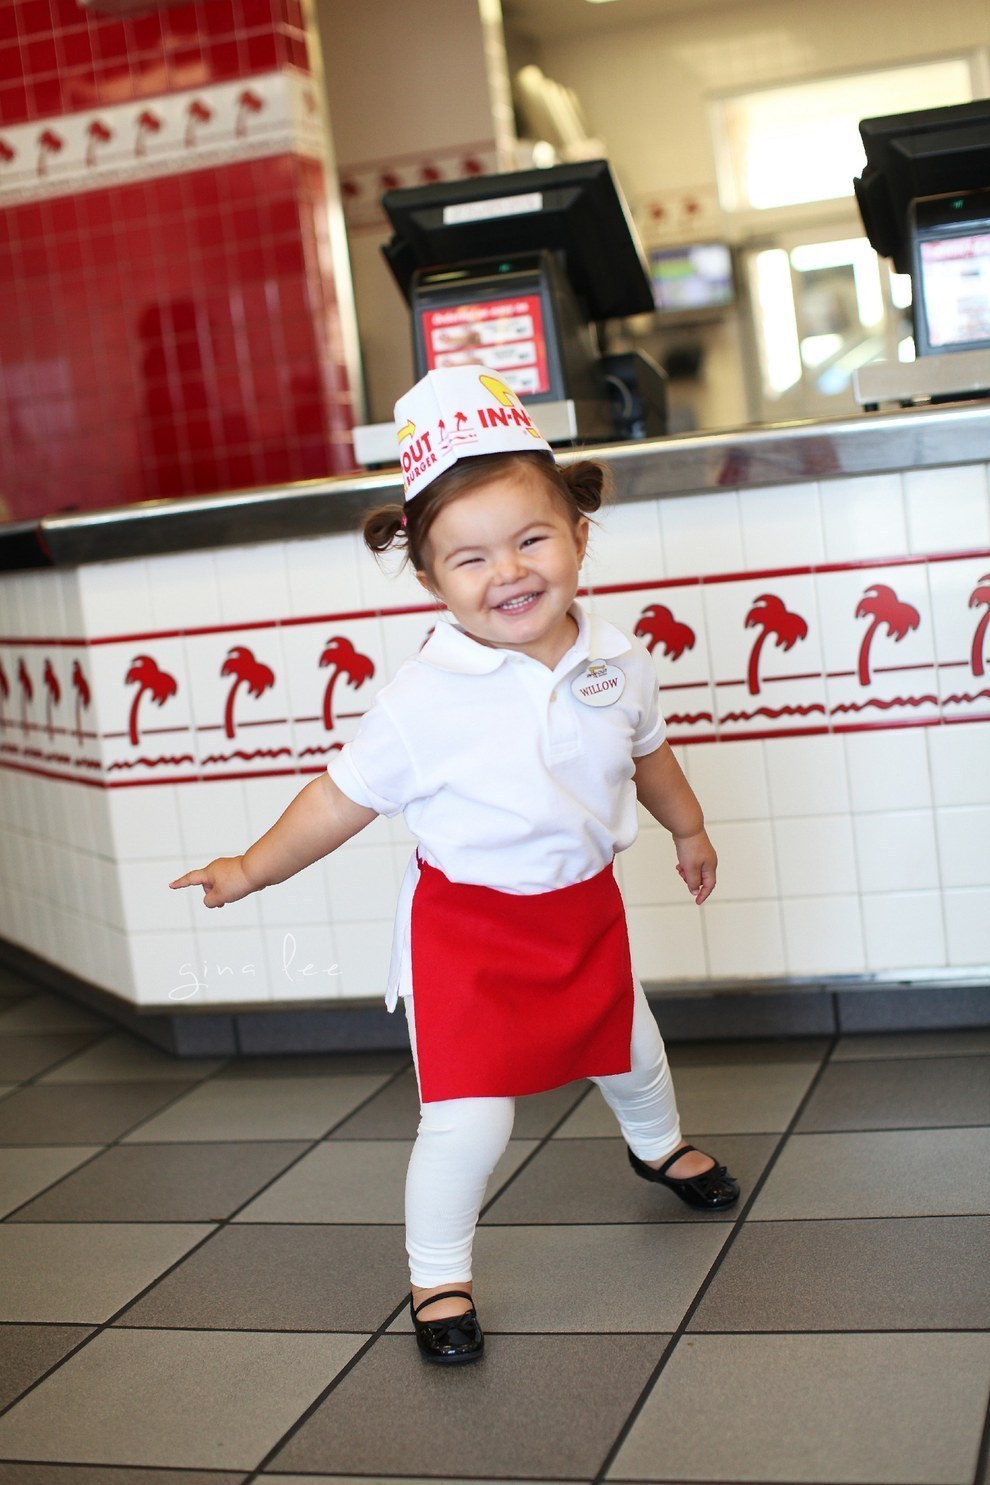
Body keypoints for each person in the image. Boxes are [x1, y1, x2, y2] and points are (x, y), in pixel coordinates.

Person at [170, 364, 739, 1368]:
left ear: (578, 535)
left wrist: (689, 831)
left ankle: (658, 1149)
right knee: (469, 1126)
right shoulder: (421, 699)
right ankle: (438, 1277)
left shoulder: (615, 658)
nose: (508, 572)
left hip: (581, 914)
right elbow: (333, 801)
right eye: (469, 559)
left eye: (531, 538)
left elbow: (650, 755)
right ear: (429, 580)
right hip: (470, 937)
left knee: (632, 1053)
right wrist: (252, 868)